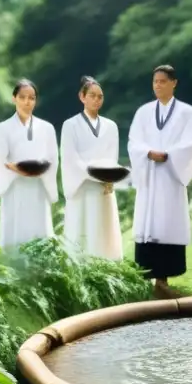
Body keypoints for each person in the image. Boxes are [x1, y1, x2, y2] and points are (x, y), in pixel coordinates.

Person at [127, 64, 192, 298]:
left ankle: (164, 278)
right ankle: (149, 278)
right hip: (150, 174)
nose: (157, 85)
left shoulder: (187, 112)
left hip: (171, 174)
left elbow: (191, 142)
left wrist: (168, 154)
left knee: (168, 222)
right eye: (155, 82)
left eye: (162, 81)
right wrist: (148, 152)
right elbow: (133, 141)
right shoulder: (144, 112)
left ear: (173, 83)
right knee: (149, 224)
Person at [60, 76, 123, 260]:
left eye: (100, 96)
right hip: (82, 186)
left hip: (103, 187)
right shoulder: (70, 125)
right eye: (92, 95)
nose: (96, 99)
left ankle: (106, 268)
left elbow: (112, 157)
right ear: (82, 96)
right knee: (82, 230)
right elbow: (70, 158)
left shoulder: (111, 126)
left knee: (104, 231)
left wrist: (109, 176)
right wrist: (95, 173)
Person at [0, 79, 59, 250]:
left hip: (38, 186)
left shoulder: (47, 128)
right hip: (14, 187)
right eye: (22, 97)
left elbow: (53, 159)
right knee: (15, 233)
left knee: (39, 235)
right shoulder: (3, 128)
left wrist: (40, 170)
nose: (27, 102)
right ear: (14, 98)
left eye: (32, 98)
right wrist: (14, 169)